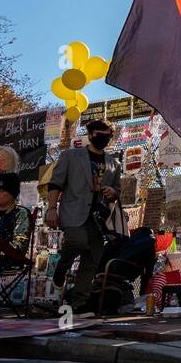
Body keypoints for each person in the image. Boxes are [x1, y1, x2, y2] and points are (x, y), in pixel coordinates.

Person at [45, 119, 120, 310]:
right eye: (100, 135)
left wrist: (113, 192)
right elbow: (56, 183)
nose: (104, 139)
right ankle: (61, 268)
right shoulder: (71, 156)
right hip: (73, 212)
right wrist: (51, 209)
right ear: (90, 134)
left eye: (107, 136)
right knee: (78, 241)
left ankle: (79, 304)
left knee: (92, 260)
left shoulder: (114, 163)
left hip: (99, 218)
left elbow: (118, 191)